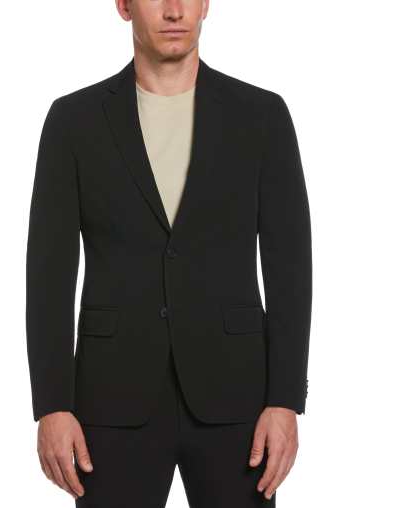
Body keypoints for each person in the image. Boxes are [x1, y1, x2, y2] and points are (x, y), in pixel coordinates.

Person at [25, 1, 312, 506]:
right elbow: (48, 274)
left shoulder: (262, 116)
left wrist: (285, 399)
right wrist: (52, 405)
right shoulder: (73, 121)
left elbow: (291, 268)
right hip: (111, 400)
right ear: (124, 6)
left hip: (238, 399)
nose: (174, 10)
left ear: (206, 5)